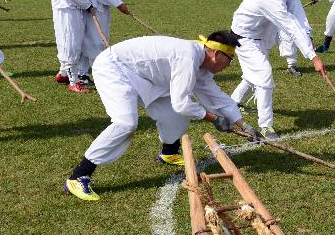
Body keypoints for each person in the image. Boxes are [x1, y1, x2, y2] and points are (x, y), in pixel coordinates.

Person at [63, 32, 260, 201]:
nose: (229, 65)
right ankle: (78, 176)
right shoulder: (189, 57)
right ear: (216, 54)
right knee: (126, 123)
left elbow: (216, 97)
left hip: (147, 78)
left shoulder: (201, 64)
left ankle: (168, 153)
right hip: (114, 68)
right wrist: (213, 118)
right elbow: (181, 103)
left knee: (177, 115)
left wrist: (244, 124)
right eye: (230, 59)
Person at [230, 0, 326, 139]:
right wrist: (313, 57)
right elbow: (289, 24)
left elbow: (299, 17)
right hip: (244, 37)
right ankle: (266, 126)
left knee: (254, 76)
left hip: (262, 36)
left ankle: (231, 104)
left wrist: (309, 39)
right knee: (264, 75)